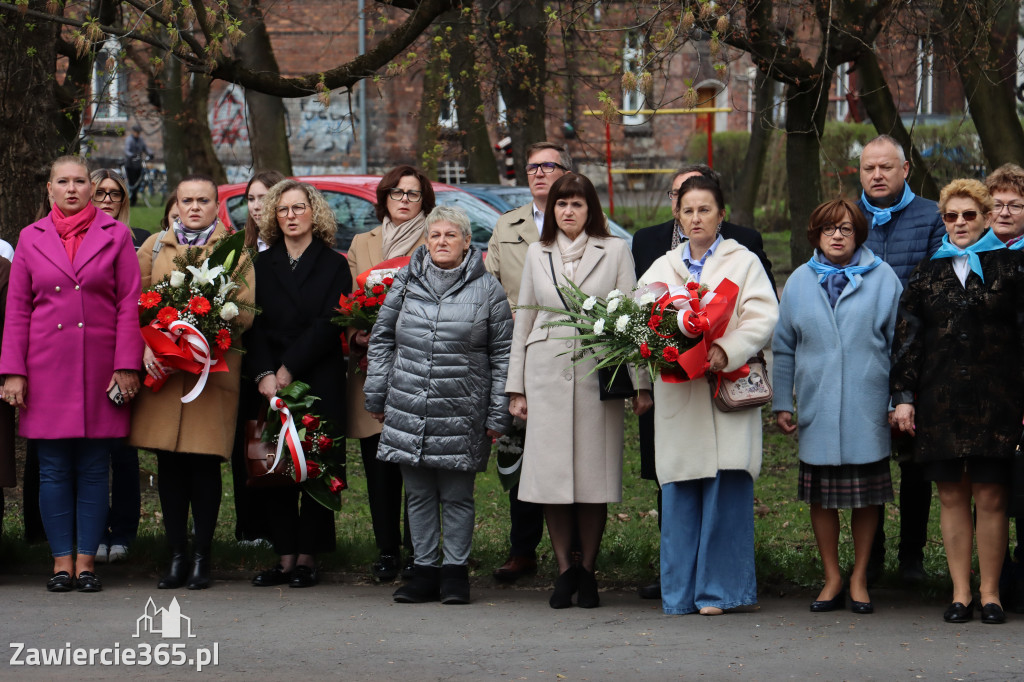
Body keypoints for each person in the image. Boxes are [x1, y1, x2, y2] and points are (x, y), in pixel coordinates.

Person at [630, 163, 776, 600]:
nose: (696, 218)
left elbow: (763, 315)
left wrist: (724, 349)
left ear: (720, 214)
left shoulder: (743, 261)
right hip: (680, 396)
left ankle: (722, 592)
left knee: (726, 489)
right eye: (688, 210)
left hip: (725, 392)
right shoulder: (662, 266)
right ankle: (679, 593)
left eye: (705, 209)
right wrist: (664, 352)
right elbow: (640, 320)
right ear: (678, 215)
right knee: (681, 491)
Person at [507, 172, 652, 609]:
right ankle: (563, 572)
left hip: (597, 373)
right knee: (551, 481)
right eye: (561, 204)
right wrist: (516, 388)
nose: (568, 212)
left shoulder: (615, 250)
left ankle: (588, 570)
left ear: (592, 209)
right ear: (551, 210)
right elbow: (525, 320)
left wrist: (641, 384)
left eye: (577, 204)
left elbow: (633, 318)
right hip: (545, 374)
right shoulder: (537, 252)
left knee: (594, 479)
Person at [0, 156, 143, 592]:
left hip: (102, 367)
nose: (72, 188)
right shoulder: (30, 237)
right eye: (63, 181)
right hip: (46, 368)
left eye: (80, 181)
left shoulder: (116, 235)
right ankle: (61, 563)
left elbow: (128, 303)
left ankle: (87, 564)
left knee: (97, 468)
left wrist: (126, 365)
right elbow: (18, 309)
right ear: (49, 189)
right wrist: (12, 372)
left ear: (89, 187)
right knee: (54, 469)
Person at [891, 178, 1024, 625]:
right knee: (951, 495)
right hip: (940, 400)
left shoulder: (1012, 268)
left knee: (990, 495)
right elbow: (908, 341)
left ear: (986, 218)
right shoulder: (927, 273)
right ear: (943, 220)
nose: (960, 223)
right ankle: (960, 591)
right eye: (952, 216)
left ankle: (990, 594)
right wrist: (904, 398)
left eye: (970, 215)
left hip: (998, 400)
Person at [365, 206, 513, 604]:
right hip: (407, 404)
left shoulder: (487, 290)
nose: (443, 241)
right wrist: (376, 394)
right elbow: (382, 341)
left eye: (452, 235)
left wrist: (498, 413)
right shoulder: (405, 282)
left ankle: (455, 573)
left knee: (457, 495)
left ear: (468, 242)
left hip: (463, 410)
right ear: (426, 241)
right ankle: (425, 571)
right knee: (418, 494)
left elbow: (503, 356)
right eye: (435, 235)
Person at [773, 198, 902, 614]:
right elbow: (784, 348)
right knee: (822, 499)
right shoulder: (798, 282)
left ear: (859, 234)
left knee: (867, 498)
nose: (838, 235)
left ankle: (860, 576)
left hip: (868, 406)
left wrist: (901, 399)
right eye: (829, 228)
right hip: (818, 406)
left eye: (847, 229)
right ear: (816, 234)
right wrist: (781, 401)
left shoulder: (883, 278)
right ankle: (832, 576)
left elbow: (901, 347)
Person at [131, 174, 254, 590]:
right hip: (165, 376)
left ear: (217, 206)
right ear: (177, 205)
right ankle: (176, 556)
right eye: (187, 200)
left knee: (204, 467)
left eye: (204, 200)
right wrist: (148, 345)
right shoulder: (154, 246)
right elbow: (135, 305)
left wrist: (214, 321)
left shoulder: (234, 251)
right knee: (169, 467)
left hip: (209, 374)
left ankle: (203, 557)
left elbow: (248, 312)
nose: (195, 207)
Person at [245, 180, 350, 588]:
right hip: (270, 382)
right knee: (277, 469)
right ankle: (285, 556)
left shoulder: (333, 264)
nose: (290, 215)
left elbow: (329, 323)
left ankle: (309, 556)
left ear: (314, 212)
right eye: (283, 209)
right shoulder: (261, 265)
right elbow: (251, 324)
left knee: (316, 467)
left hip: (317, 376)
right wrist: (266, 374)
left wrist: (288, 368)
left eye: (298, 207)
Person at [857, 134, 946, 585]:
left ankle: (911, 557)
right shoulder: (847, 219)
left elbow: (935, 284)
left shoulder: (932, 217)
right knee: (869, 459)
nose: (877, 175)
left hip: (921, 359)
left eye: (886, 167)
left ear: (905, 170)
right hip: (863, 359)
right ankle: (870, 560)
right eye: (869, 168)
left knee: (913, 460)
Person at [486, 141, 571, 583]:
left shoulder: (579, 219)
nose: (538, 173)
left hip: (570, 353)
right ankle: (523, 548)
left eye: (548, 166)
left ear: (565, 173)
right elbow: (490, 285)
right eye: (532, 166)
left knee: (567, 451)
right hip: (517, 352)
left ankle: (573, 551)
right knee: (518, 450)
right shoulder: (508, 225)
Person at [345, 165, 433, 581]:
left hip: (420, 370)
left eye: (412, 194)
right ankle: (386, 551)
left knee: (414, 466)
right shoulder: (363, 242)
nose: (403, 200)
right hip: (372, 371)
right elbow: (347, 300)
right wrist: (356, 332)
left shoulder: (435, 238)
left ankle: (420, 549)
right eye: (396, 192)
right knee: (378, 466)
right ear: (383, 198)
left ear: (424, 201)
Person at [86, 168, 142, 564]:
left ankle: (122, 530)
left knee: (121, 451)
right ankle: (92, 529)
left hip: (123, 357)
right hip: (84, 358)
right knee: (87, 453)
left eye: (115, 193)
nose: (107, 199)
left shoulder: (134, 242)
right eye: (100, 192)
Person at [229, 170, 285, 547]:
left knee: (280, 444)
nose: (257, 205)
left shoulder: (292, 248)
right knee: (247, 443)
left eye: (265, 197)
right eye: (251, 198)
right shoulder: (241, 249)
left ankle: (278, 527)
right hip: (248, 360)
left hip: (285, 361)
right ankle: (249, 528)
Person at [985, 164, 1024, 613]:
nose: (1006, 211)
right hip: (988, 395)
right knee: (991, 489)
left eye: (1015, 204)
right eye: (997, 204)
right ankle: (995, 577)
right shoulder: (972, 253)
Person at [243, 170, 287, 251]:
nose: (256, 206)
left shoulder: (293, 244)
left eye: (263, 198)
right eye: (251, 199)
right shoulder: (243, 243)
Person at [124, 125, 152, 206]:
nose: (138, 134)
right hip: (130, 164)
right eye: (137, 132)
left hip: (138, 164)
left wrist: (150, 153)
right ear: (133, 132)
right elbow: (127, 150)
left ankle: (134, 199)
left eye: (139, 133)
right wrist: (131, 155)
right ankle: (132, 200)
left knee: (138, 182)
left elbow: (145, 148)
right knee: (132, 182)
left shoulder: (140, 140)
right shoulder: (129, 140)